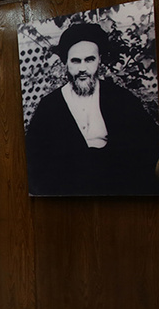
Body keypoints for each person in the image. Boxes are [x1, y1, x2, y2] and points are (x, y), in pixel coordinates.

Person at [25, 22, 159, 196]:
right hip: (71, 200)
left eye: (89, 59)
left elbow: (150, 143)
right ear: (65, 62)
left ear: (99, 59)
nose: (83, 68)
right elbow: (33, 163)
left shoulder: (120, 99)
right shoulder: (49, 106)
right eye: (76, 61)